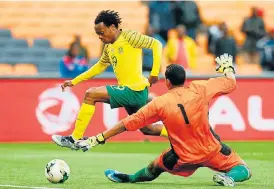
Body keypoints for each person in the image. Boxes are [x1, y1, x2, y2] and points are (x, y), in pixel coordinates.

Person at [75, 54, 252, 187]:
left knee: (154, 168)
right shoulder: (201, 88)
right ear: (184, 79)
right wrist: (228, 68)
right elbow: (231, 83)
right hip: (212, 150)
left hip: (183, 157)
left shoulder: (160, 103)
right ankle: (229, 178)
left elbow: (127, 124)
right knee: (244, 169)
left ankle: (130, 178)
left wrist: (96, 139)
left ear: (167, 82)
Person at [52, 10, 166, 150]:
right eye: (98, 34)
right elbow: (99, 66)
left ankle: (74, 138)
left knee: (90, 94)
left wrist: (154, 73)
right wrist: (74, 81)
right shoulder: (109, 47)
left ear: (112, 27)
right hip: (131, 92)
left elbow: (157, 44)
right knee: (148, 129)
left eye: (102, 32)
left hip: (134, 90)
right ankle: (178, 134)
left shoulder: (129, 36)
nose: (100, 36)